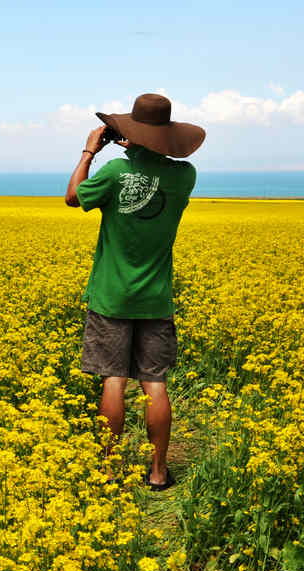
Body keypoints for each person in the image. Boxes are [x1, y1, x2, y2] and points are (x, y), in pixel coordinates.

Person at [64, 93, 205, 491]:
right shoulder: (184, 176)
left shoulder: (112, 173)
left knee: (113, 380)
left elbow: (73, 196)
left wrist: (91, 150)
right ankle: (158, 472)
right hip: (155, 298)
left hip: (111, 296)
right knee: (154, 383)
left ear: (131, 132)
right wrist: (143, 149)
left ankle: (109, 471)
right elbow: (159, 169)